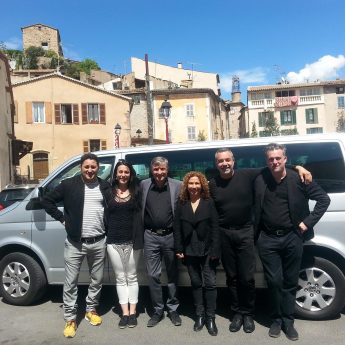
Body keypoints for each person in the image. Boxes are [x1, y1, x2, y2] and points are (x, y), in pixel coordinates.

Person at [209, 148, 311, 334]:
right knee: (231, 277)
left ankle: (248, 314)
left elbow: (275, 166)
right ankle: (237, 313)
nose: (224, 164)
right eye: (220, 161)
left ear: (234, 161)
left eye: (227, 160)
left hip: (247, 231)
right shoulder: (212, 184)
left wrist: (298, 167)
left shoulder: (247, 174)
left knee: (247, 278)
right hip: (225, 234)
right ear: (216, 164)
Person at [254, 143, 330, 341]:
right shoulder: (260, 178)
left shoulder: (299, 178)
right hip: (268, 238)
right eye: (271, 159)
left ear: (285, 159)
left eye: (278, 158)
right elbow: (237, 171)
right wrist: (298, 165)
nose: (274, 162)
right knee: (273, 281)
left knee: (290, 281)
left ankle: (288, 321)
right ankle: (276, 320)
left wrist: (307, 222)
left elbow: (324, 199)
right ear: (266, 161)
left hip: (292, 236)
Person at [42, 153, 110, 338]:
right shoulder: (69, 184)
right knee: (70, 282)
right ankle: (70, 318)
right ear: (81, 167)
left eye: (93, 167)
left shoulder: (104, 186)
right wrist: (62, 219)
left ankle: (91, 310)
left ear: (98, 168)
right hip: (75, 243)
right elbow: (46, 200)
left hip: (98, 241)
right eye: (86, 166)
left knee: (96, 280)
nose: (90, 170)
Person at [174, 172, 220, 336]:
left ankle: (210, 317)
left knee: (210, 284)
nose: (194, 187)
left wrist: (215, 249)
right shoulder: (181, 203)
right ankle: (199, 315)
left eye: (197, 183)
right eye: (191, 184)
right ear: (186, 185)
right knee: (195, 283)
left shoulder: (209, 202)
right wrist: (179, 249)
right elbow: (177, 229)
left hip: (207, 250)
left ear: (202, 185)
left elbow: (215, 227)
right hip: (189, 250)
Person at [141, 156, 182, 327]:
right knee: (153, 275)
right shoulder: (144, 185)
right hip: (150, 236)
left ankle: (173, 309)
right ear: (152, 170)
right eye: (156, 169)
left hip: (171, 235)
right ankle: (158, 310)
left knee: (172, 274)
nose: (159, 172)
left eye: (162, 169)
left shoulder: (177, 186)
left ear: (167, 169)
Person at [105, 160, 142, 329]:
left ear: (130, 174)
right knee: (120, 278)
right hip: (113, 241)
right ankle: (124, 313)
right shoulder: (108, 191)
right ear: (115, 174)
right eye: (120, 172)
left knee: (132, 277)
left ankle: (133, 313)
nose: (123, 175)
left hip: (133, 241)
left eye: (126, 172)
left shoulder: (137, 191)